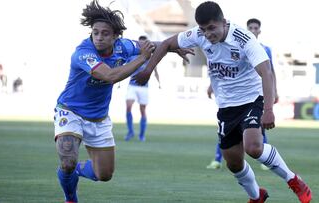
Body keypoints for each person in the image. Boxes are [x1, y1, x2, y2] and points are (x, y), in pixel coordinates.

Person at [135, 1, 312, 203]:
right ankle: (256, 196)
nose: (208, 34)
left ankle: (293, 180)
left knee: (253, 147)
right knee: (233, 163)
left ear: (223, 22)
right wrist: (148, 69)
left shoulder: (244, 39)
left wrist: (269, 109)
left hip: (252, 99)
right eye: (203, 29)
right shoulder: (198, 35)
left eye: (212, 28)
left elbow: (266, 72)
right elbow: (166, 44)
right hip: (226, 107)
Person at [53, 1, 190, 202]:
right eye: (95, 32)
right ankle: (71, 198)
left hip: (99, 119)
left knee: (104, 175)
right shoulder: (83, 53)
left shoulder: (123, 47)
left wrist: (172, 47)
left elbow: (150, 45)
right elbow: (109, 76)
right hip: (70, 111)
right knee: (67, 162)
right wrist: (142, 59)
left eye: (105, 33)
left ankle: (76, 171)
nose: (98, 37)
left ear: (116, 36)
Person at [206, 18, 279, 171]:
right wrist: (211, 85)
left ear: (259, 31)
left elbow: (270, 71)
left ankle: (265, 160)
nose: (252, 30)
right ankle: (217, 159)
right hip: (234, 97)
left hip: (256, 94)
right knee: (226, 130)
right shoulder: (238, 43)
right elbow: (223, 68)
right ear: (247, 29)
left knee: (258, 128)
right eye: (250, 27)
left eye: (255, 28)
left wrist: (274, 91)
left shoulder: (265, 49)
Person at [125, 36, 160, 142]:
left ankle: (141, 135)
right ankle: (130, 132)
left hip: (144, 87)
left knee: (143, 110)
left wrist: (159, 82)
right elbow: (125, 69)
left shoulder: (150, 57)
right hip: (132, 85)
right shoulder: (132, 56)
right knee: (128, 107)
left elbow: (155, 70)